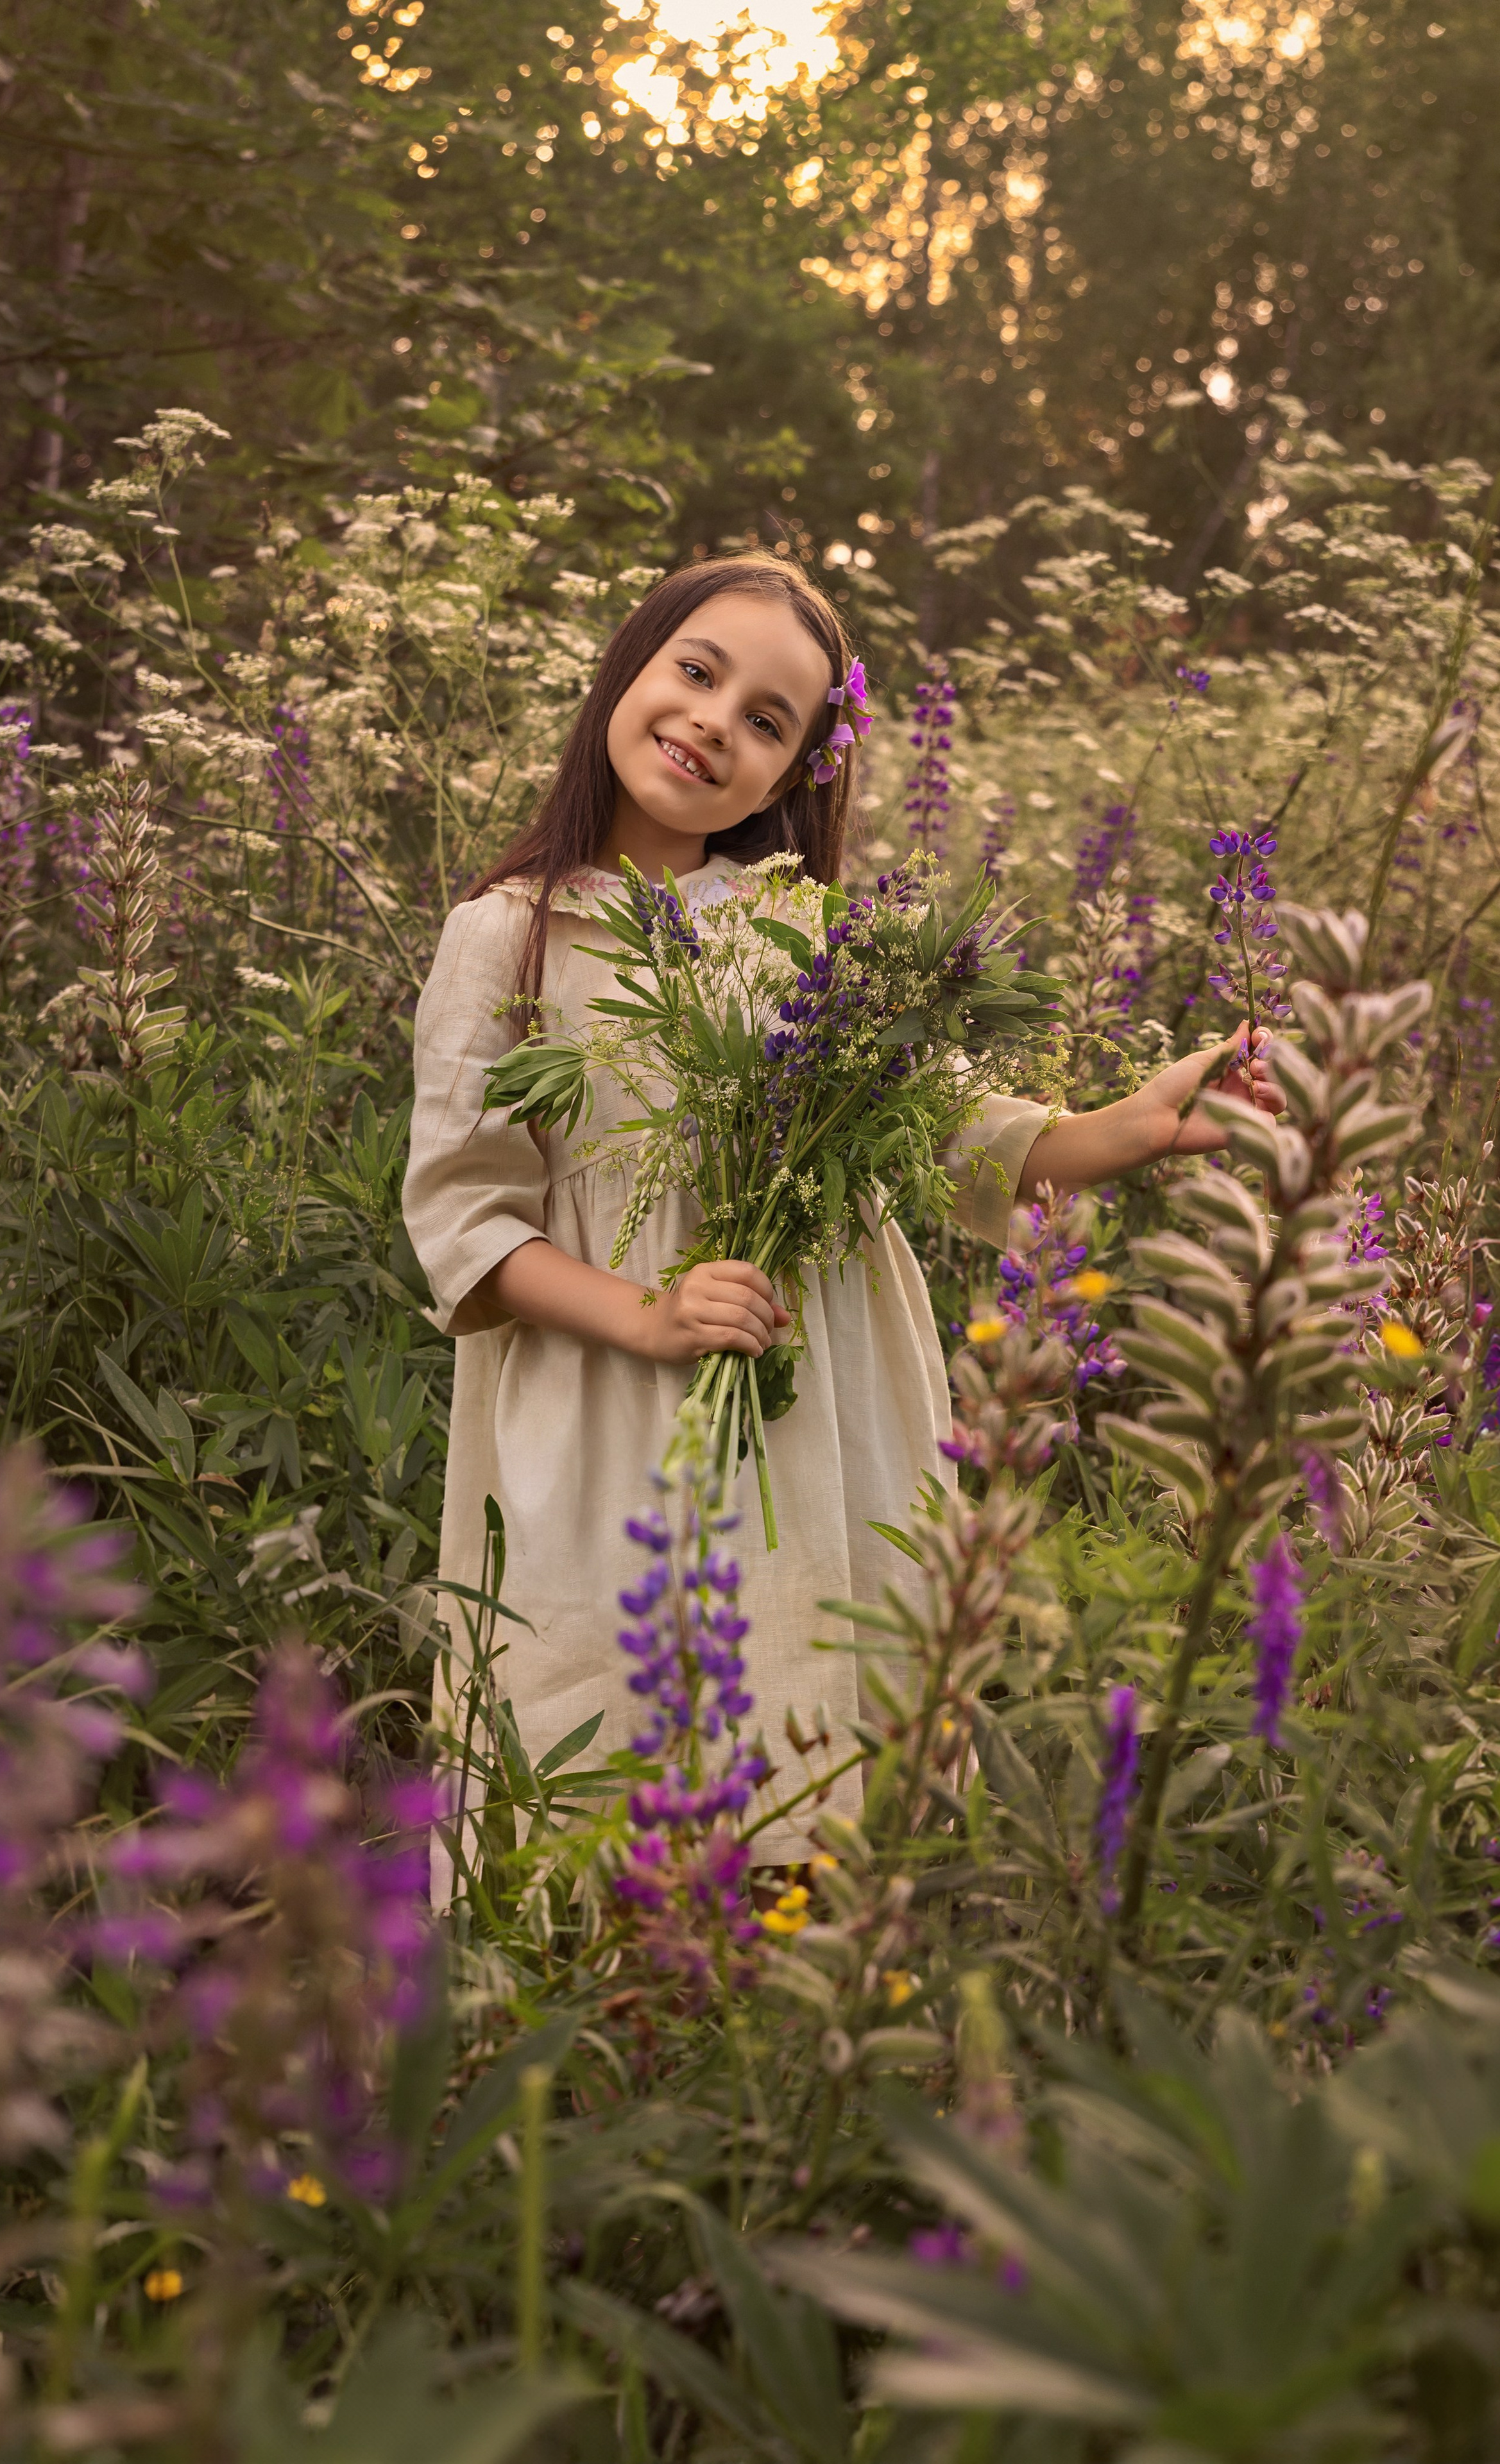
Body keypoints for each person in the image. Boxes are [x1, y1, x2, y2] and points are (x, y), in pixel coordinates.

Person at [402, 554, 1279, 1858]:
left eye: (767, 719)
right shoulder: (509, 935)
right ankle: (596, 2031)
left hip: (812, 1402)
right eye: (696, 672)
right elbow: (465, 1217)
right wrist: (646, 1314)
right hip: (602, 1403)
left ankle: (807, 2002)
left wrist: (1122, 1130)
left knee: (811, 1718)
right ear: (626, 672)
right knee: (604, 1736)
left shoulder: (802, 933)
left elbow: (947, 1127)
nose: (714, 721)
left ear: (796, 771)